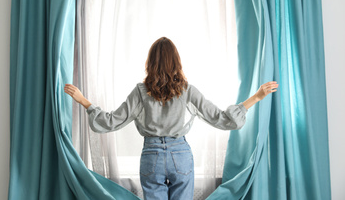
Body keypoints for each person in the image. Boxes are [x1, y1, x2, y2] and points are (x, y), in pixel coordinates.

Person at [64, 37, 278, 200]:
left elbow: (111, 121)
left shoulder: (141, 92)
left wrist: (85, 101)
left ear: (150, 63)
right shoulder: (187, 91)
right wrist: (256, 97)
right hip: (181, 155)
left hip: (152, 155)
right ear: (176, 62)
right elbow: (222, 119)